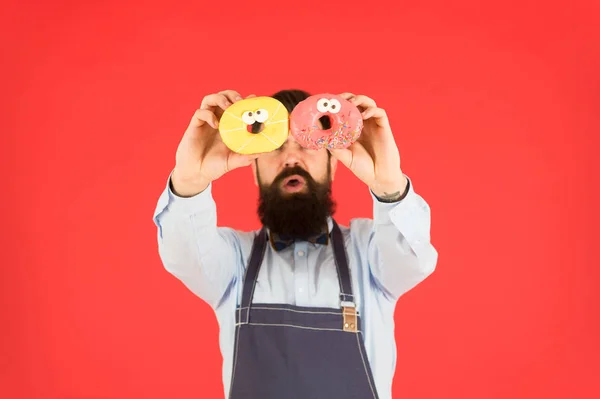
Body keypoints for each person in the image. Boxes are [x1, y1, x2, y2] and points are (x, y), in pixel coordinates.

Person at [152, 89, 438, 399]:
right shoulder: (234, 262)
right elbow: (182, 253)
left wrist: (389, 187)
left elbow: (412, 259)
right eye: (275, 148)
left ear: (334, 163)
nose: (290, 159)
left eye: (306, 145)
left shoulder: (369, 252)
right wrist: (189, 184)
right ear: (253, 168)